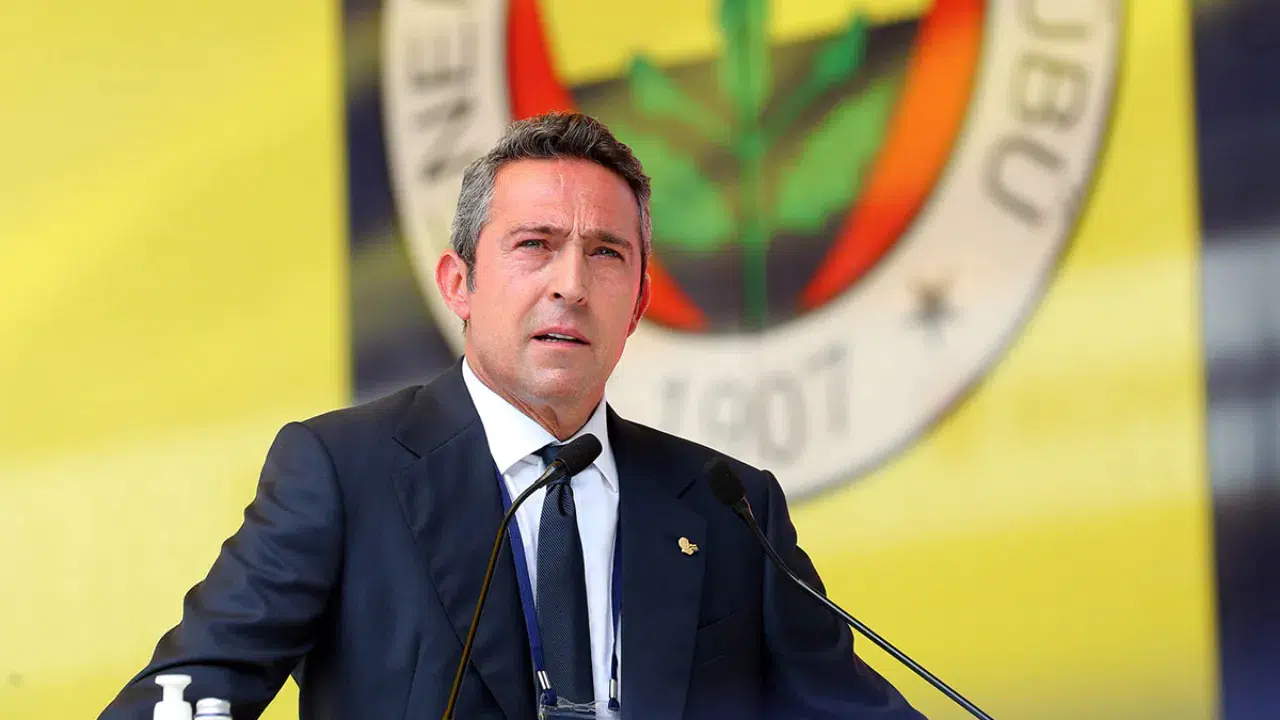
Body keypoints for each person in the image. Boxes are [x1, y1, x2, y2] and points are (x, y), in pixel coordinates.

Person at [99, 112, 924, 719]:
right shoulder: (344, 474)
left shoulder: (729, 508)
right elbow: (190, 692)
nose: (571, 284)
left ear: (638, 305)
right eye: (535, 245)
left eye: (606, 254)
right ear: (458, 283)